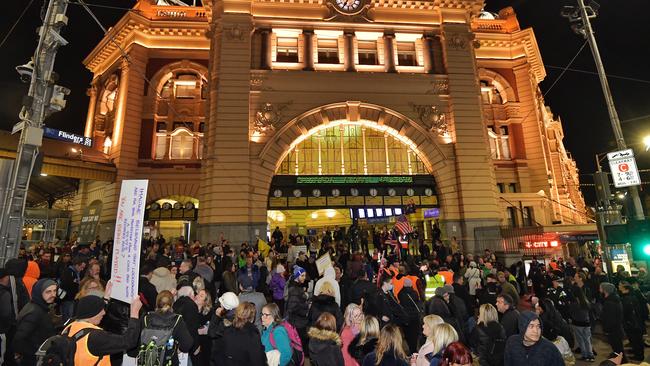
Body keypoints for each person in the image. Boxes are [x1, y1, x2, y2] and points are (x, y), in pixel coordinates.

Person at [65, 295, 143, 366]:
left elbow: (91, 308)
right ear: (92, 313)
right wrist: (134, 313)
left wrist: (105, 298)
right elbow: (128, 341)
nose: (104, 312)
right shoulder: (95, 337)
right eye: (101, 310)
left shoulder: (70, 326)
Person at [131, 291, 193, 366]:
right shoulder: (176, 320)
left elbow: (133, 343)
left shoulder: (146, 318)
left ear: (157, 303)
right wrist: (178, 349)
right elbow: (187, 344)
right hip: (168, 362)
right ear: (172, 304)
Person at [12, 279, 58, 366]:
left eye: (55, 291)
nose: (53, 295)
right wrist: (37, 352)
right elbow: (18, 341)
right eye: (48, 292)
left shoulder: (40, 307)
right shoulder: (35, 312)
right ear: (39, 293)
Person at [619, 281, 644, 361]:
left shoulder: (627, 298)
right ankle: (636, 351)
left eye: (620, 285)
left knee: (636, 339)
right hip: (633, 322)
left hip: (632, 323)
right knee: (634, 339)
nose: (618, 286)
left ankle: (639, 356)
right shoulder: (629, 297)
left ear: (625, 288)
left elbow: (628, 311)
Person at [568, 286, 594, 362]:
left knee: (581, 340)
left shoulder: (574, 304)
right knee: (587, 339)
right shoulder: (586, 302)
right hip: (587, 323)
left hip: (577, 323)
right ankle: (590, 355)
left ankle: (585, 355)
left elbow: (571, 313)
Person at [60, 256, 86, 322]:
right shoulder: (68, 272)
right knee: (68, 316)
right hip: (67, 298)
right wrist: (76, 283)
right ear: (77, 265)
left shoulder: (77, 272)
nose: (82, 269)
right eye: (81, 267)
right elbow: (66, 285)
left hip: (73, 298)